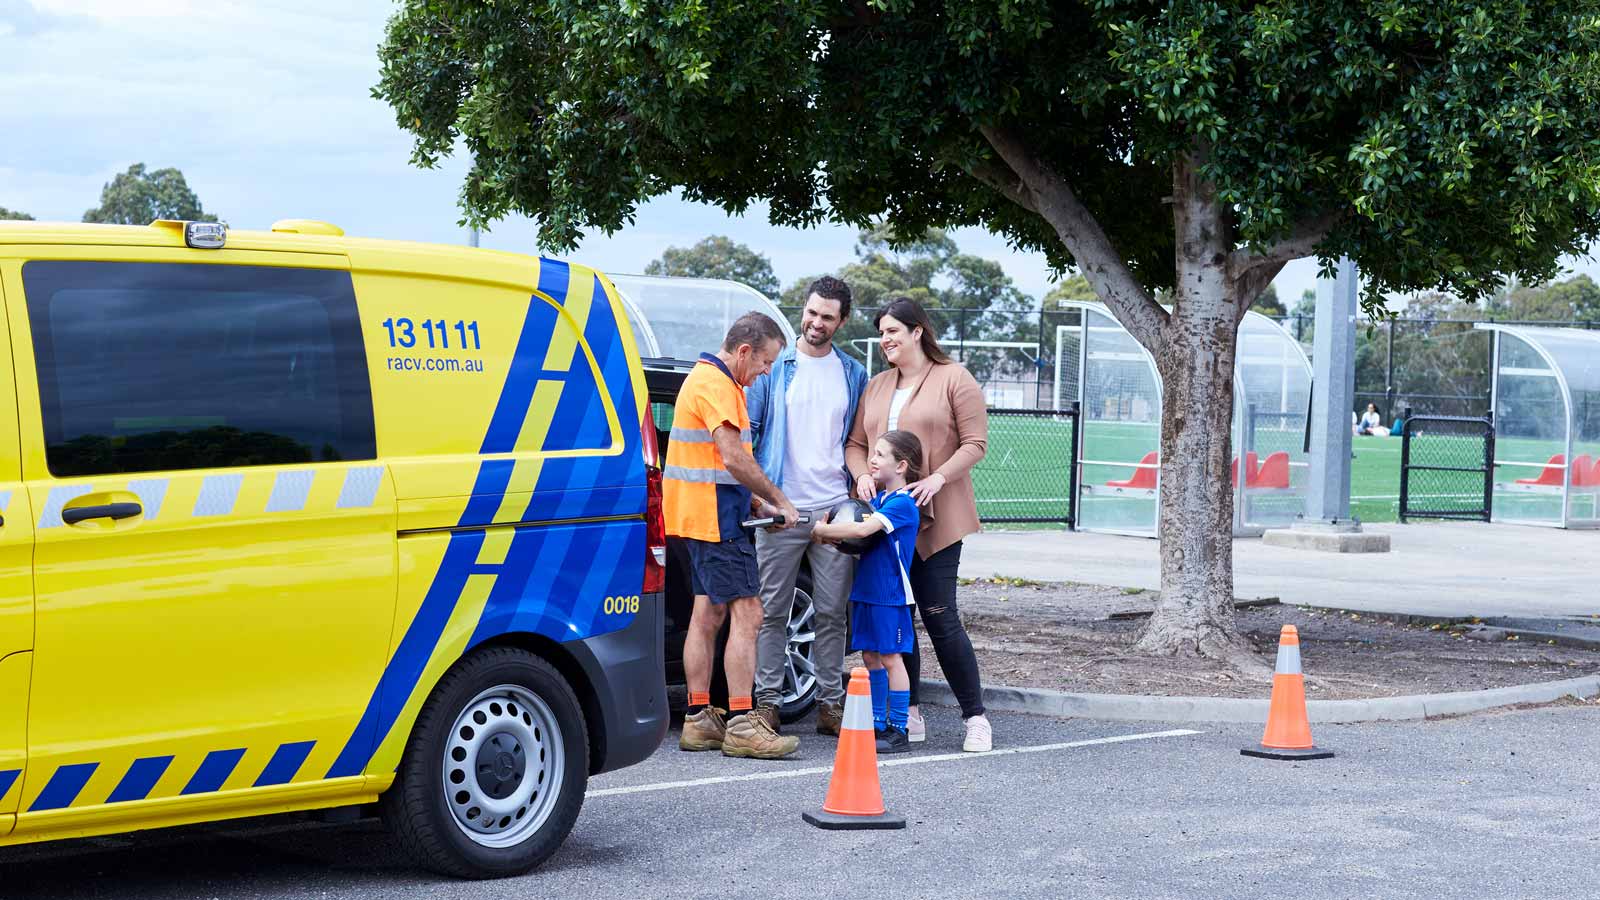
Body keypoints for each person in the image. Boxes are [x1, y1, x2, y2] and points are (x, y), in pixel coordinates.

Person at [845, 296, 993, 753]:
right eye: (881, 333)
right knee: (896, 619)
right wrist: (863, 475)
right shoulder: (877, 385)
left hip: (936, 516)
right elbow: (854, 444)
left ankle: (975, 718)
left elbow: (976, 443)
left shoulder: (954, 378)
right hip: (886, 524)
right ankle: (905, 715)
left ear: (917, 331)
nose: (886, 340)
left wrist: (936, 477)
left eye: (893, 331)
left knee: (940, 615)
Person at [665, 311, 802, 760]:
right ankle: (743, 722)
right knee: (751, 614)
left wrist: (755, 503)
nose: (766, 372)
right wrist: (779, 499)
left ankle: (700, 718)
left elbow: (713, 463)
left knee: (707, 616)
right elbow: (732, 458)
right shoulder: (719, 385)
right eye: (765, 363)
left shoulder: (711, 381)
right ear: (744, 351)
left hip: (702, 516)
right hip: (715, 521)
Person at [746, 276, 869, 736]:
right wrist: (763, 498)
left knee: (832, 612)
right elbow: (750, 434)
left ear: (842, 321)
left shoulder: (853, 374)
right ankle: (767, 705)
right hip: (781, 510)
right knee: (771, 611)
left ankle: (830, 704)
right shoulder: (774, 368)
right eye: (812, 312)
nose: (817, 323)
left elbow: (856, 442)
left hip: (835, 512)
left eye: (827, 317)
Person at [812, 430, 924, 754]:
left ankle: (899, 728)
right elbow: (859, 542)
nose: (871, 460)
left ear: (901, 465)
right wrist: (832, 537)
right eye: (872, 453)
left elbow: (862, 529)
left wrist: (823, 530)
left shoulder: (903, 504)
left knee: (891, 657)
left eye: (880, 455)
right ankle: (877, 723)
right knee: (871, 656)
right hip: (867, 591)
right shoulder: (879, 501)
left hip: (890, 595)